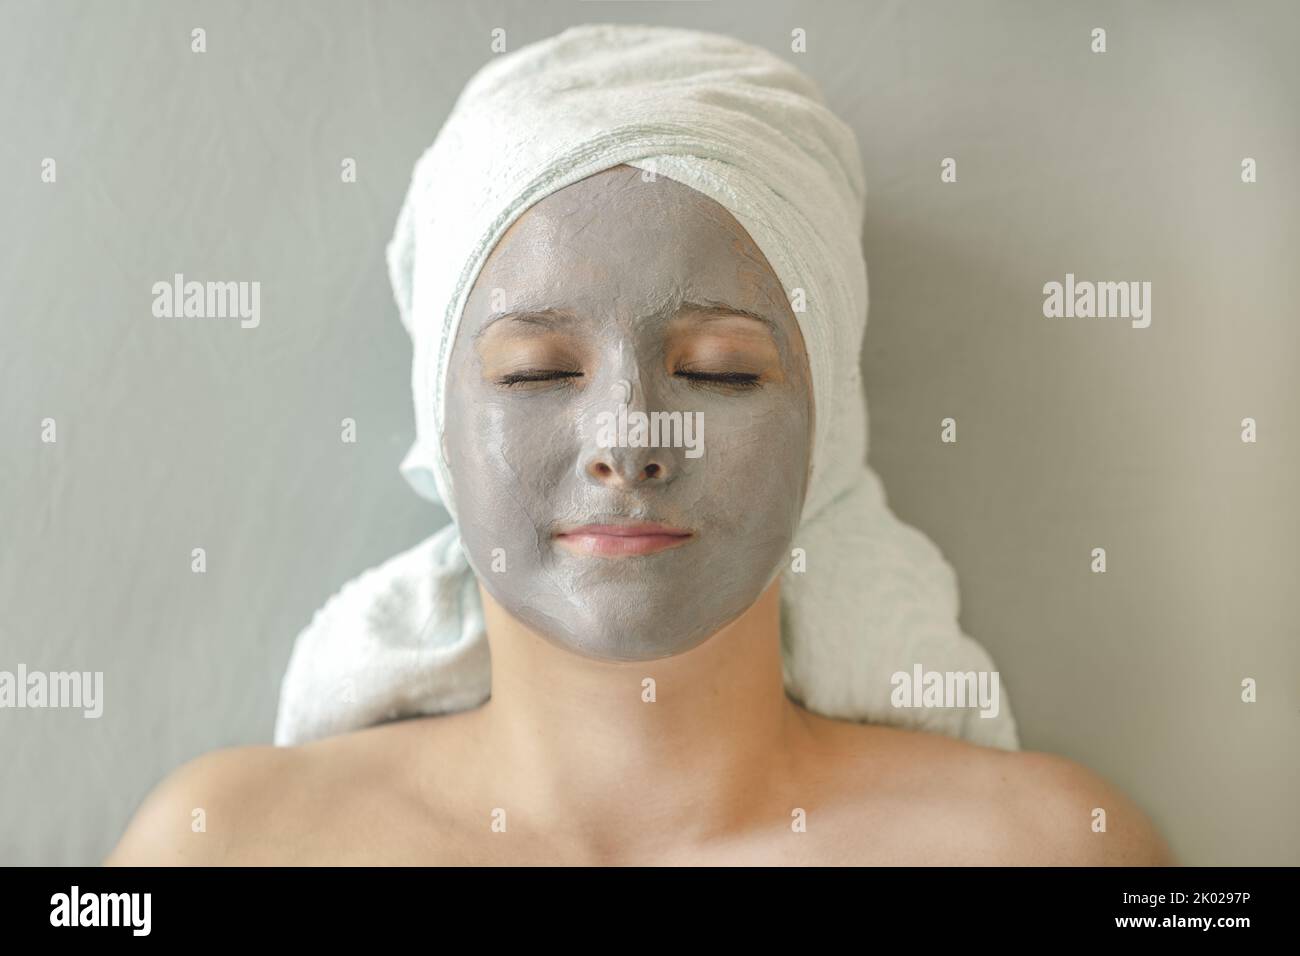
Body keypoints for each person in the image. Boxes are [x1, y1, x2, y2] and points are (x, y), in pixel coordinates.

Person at [106, 163, 1174, 866]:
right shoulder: (221, 845)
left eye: (718, 369)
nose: (630, 438)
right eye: (534, 372)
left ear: (827, 427)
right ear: (436, 431)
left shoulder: (1049, 847)